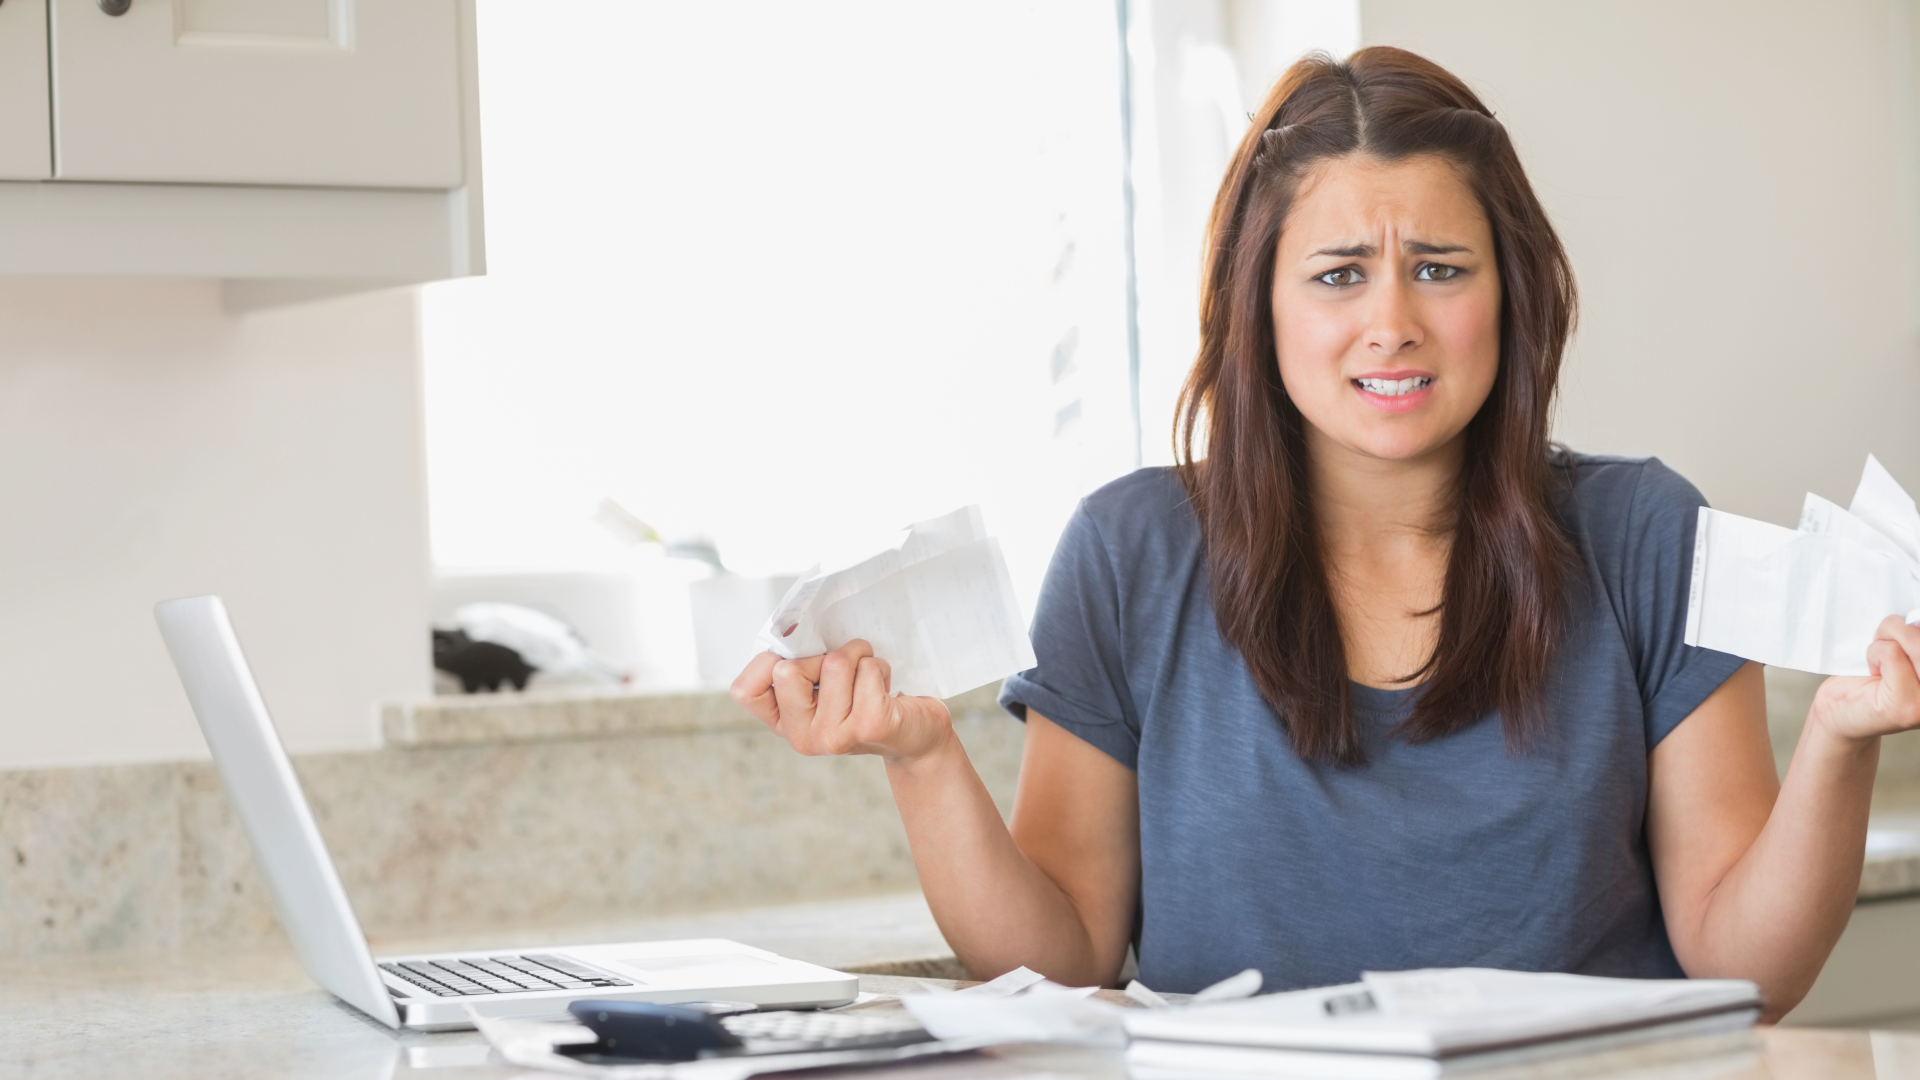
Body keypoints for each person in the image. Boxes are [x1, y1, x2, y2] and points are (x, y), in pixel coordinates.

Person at [729, 47, 1920, 1019]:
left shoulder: (1649, 533)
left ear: (1511, 296)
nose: (1392, 323)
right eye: (1340, 274)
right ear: (1260, 305)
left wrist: (1839, 739)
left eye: (1441, 268)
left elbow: (1748, 975)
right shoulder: (1131, 551)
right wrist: (924, 760)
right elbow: (1068, 958)